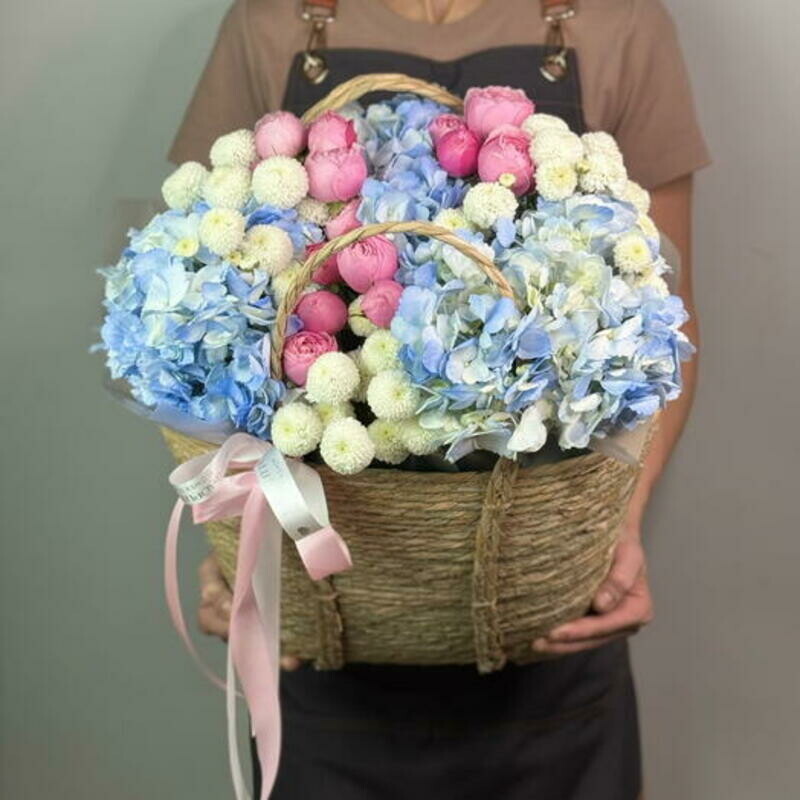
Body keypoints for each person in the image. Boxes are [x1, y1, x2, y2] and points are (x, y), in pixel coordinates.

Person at [170, 1, 708, 797]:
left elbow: (668, 322)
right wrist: (236, 553)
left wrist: (617, 528)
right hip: (329, 642)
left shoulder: (617, 21)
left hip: (549, 646)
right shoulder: (276, 20)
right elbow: (196, 318)